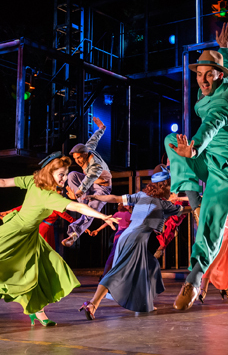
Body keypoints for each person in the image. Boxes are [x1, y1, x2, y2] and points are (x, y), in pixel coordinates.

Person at [0, 152, 119, 342]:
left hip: (30, 237)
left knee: (40, 271)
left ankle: (37, 312)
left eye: (65, 174)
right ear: (50, 173)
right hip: (10, 235)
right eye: (61, 174)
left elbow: (4, 183)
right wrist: (103, 216)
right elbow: (4, 182)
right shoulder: (43, 191)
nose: (64, 179)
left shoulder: (36, 182)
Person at [164, 22, 228, 311]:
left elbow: (212, 123)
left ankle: (194, 279)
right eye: (199, 75)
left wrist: (195, 147)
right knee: (170, 141)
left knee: (212, 222)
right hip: (208, 159)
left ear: (218, 75)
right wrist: (224, 49)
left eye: (208, 75)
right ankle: (194, 201)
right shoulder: (222, 82)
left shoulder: (224, 101)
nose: (202, 80)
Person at [79, 165, 188, 318]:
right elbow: (185, 210)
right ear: (164, 186)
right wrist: (200, 203)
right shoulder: (163, 204)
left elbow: (115, 198)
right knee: (116, 273)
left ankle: (143, 302)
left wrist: (96, 197)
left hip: (127, 235)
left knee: (151, 265)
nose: (171, 189)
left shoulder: (142, 196)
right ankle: (92, 304)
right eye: (170, 185)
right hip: (136, 239)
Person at [62, 116, 113, 247]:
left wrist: (78, 194)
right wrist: (101, 128)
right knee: (72, 175)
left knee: (90, 211)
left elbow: (88, 180)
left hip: (102, 190)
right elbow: (94, 139)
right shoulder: (87, 148)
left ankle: (73, 235)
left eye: (79, 158)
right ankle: (84, 204)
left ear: (85, 154)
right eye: (75, 159)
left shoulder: (95, 165)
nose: (78, 161)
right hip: (90, 186)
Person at [0, 205, 76, 250]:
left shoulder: (46, 200)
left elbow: (26, 206)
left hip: (44, 227)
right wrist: (79, 225)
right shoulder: (53, 203)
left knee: (42, 249)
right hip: (45, 229)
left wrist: (10, 211)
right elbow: (67, 216)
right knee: (44, 249)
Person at [89, 202, 133, 275]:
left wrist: (97, 230)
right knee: (125, 254)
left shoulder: (117, 214)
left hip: (118, 235)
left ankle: (105, 273)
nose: (130, 206)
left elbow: (106, 223)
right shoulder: (128, 215)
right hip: (126, 235)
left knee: (113, 254)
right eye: (128, 205)